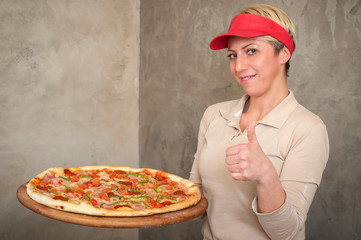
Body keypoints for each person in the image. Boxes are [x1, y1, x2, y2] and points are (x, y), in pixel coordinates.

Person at [189, 4, 329, 240]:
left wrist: (266, 177)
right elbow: (195, 201)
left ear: (284, 53)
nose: (238, 66)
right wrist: (140, 196)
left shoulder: (308, 129)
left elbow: (286, 233)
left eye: (251, 51)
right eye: (232, 55)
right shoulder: (214, 115)